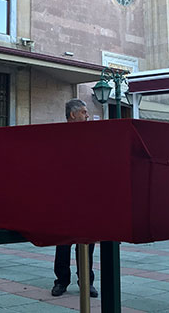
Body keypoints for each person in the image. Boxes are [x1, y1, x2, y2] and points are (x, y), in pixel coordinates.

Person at [50, 98, 98, 299]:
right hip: (65, 198)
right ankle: (61, 280)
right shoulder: (59, 137)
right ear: (73, 114)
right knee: (63, 242)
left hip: (86, 198)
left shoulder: (91, 137)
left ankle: (87, 281)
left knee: (87, 242)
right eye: (84, 112)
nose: (87, 115)